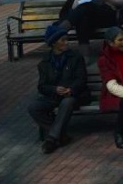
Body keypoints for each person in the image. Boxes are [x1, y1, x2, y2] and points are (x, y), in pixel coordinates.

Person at [27, 24, 90, 154]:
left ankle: (51, 139)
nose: (66, 42)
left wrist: (70, 90)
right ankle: (60, 135)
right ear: (54, 43)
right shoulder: (45, 63)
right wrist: (55, 89)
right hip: (54, 96)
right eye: (63, 40)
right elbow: (42, 86)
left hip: (74, 95)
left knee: (67, 102)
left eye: (67, 39)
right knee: (34, 107)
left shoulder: (75, 57)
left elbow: (81, 79)